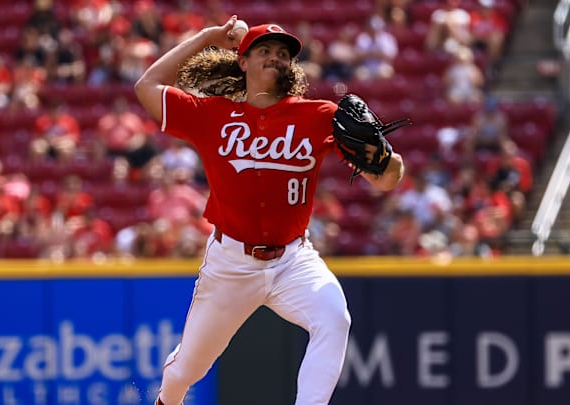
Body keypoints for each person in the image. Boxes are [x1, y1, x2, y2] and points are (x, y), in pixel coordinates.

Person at [134, 16, 406, 405]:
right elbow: (146, 86)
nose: (276, 58)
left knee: (334, 318)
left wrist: (386, 159)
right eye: (264, 51)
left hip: (293, 259)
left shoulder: (318, 116)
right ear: (242, 61)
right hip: (230, 262)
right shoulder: (212, 114)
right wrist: (208, 38)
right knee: (186, 371)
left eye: (283, 54)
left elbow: (387, 179)